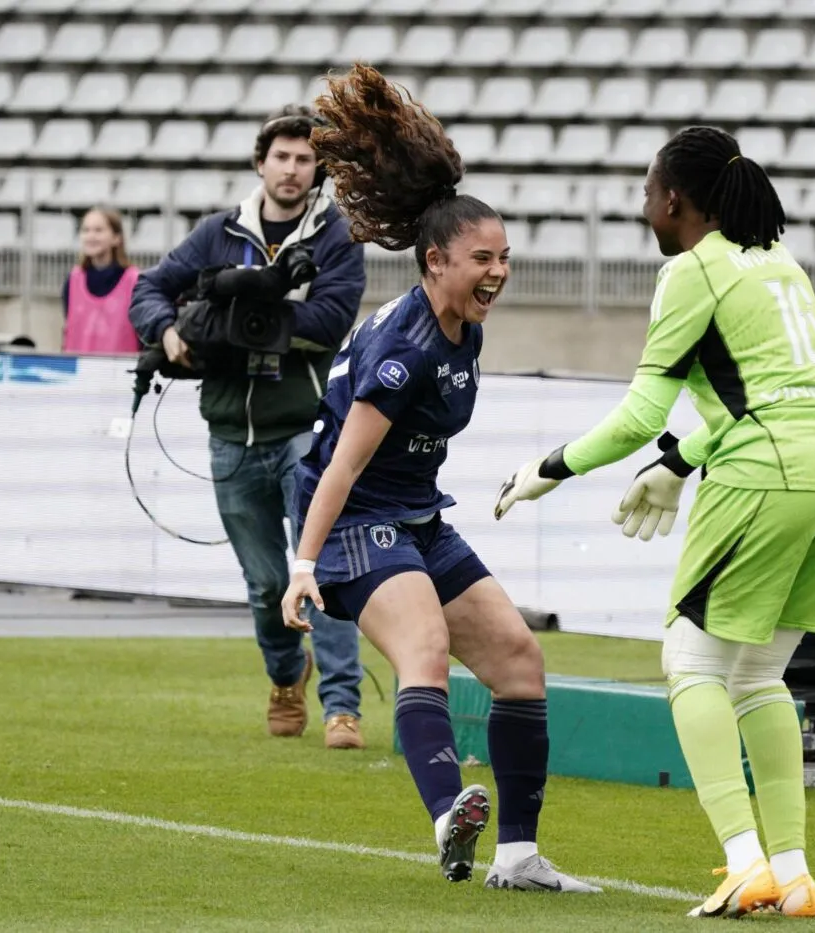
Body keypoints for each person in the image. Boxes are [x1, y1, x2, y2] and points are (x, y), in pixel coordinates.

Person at [495, 126, 815, 919]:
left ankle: (744, 860)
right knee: (759, 675)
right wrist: (679, 461)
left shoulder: (690, 270)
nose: (642, 209)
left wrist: (548, 468)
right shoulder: (781, 264)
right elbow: (773, 391)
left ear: (674, 200)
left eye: (645, 193)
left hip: (768, 473)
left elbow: (638, 415)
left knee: (689, 660)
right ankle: (794, 872)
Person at [282, 63, 599, 894]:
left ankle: (520, 857)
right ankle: (447, 814)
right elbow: (342, 464)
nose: (497, 271)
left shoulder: (462, 324)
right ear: (433, 261)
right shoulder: (408, 349)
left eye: (504, 256)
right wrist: (304, 567)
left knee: (520, 663)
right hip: (353, 521)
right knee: (424, 651)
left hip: (417, 517)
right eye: (480, 259)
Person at [129, 105, 366, 750]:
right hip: (230, 432)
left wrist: (239, 309)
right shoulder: (217, 232)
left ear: (319, 171)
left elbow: (331, 319)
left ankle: (343, 706)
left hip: (305, 431)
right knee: (265, 584)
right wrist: (170, 330)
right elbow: (149, 287)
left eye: (304, 159)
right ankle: (287, 676)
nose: (291, 169)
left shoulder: (336, 236)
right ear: (261, 162)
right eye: (282, 156)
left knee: (320, 569)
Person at [62, 207, 140, 355]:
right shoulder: (73, 280)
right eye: (86, 230)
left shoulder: (134, 280)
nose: (91, 236)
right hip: (79, 371)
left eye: (98, 230)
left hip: (120, 372)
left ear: (116, 238)